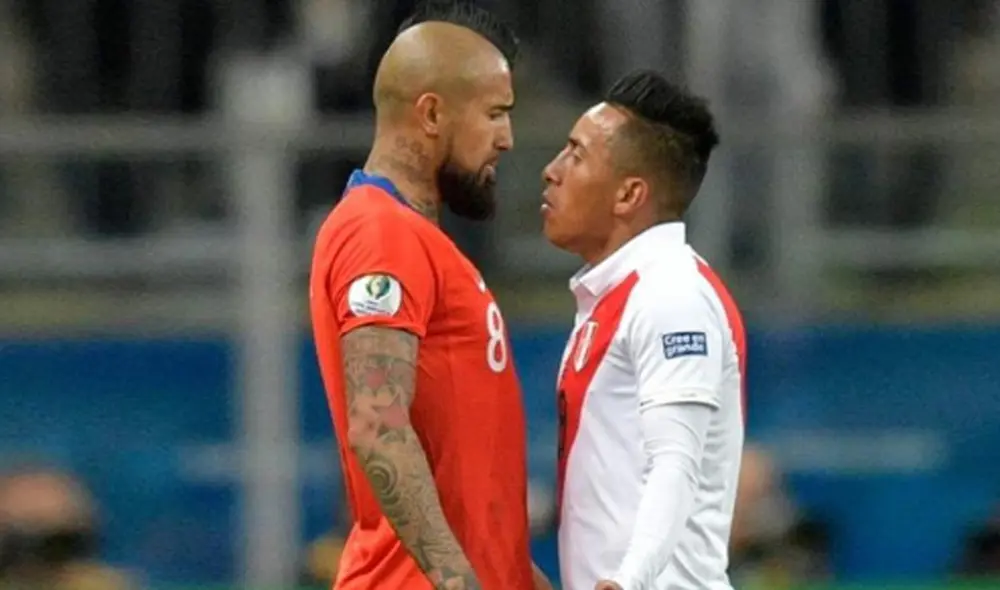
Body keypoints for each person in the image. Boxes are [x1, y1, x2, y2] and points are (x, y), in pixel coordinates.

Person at [309, 2, 549, 589]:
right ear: (433, 113)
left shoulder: (421, 243)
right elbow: (379, 428)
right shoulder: (378, 233)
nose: (508, 139)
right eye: (495, 114)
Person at [541, 69, 745, 590]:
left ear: (629, 194)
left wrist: (628, 580)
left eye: (576, 154)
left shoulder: (670, 292)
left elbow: (675, 463)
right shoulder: (614, 297)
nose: (551, 171)